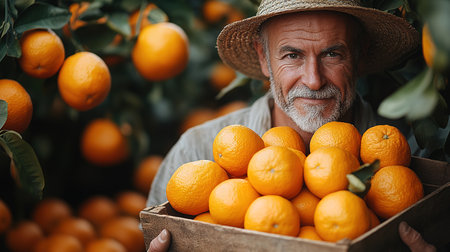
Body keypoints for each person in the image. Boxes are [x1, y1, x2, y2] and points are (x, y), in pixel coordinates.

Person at [146, 0, 436, 251]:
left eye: (332, 54)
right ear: (263, 58)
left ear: (359, 55)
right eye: (292, 55)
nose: (313, 80)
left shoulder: (410, 154)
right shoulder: (194, 152)